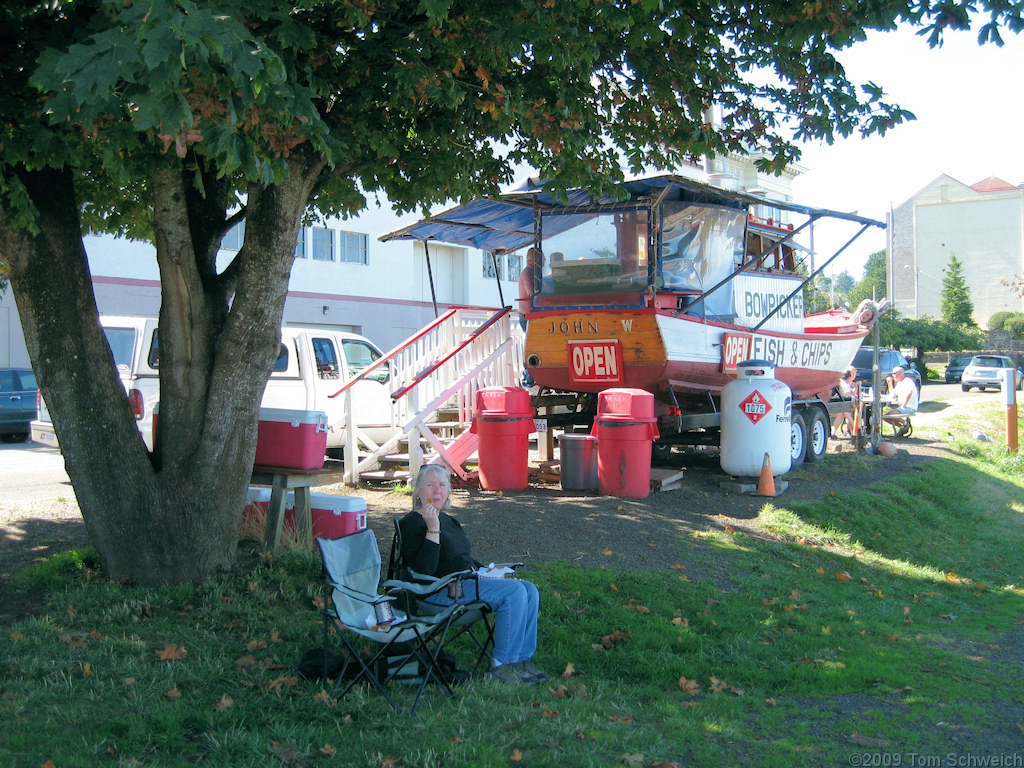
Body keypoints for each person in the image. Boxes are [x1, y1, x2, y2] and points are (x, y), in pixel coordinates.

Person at [398, 465, 547, 685]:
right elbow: (423, 570)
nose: (437, 491)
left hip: (467, 582)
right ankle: (502, 666)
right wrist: (432, 529)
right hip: (440, 593)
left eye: (442, 485)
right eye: (430, 485)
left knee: (529, 589)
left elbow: (462, 559)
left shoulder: (449, 520)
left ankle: (521, 661)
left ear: (448, 492)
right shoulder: (410, 524)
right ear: (419, 492)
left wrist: (489, 572)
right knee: (514, 592)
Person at [882, 365, 919, 437]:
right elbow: (893, 395)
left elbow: (910, 392)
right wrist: (890, 383)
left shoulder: (907, 381)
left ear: (901, 373)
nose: (893, 375)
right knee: (885, 417)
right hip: (903, 407)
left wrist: (904, 404)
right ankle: (903, 426)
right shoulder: (899, 383)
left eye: (895, 373)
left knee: (888, 415)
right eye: (893, 374)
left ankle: (905, 424)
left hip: (909, 407)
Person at [832, 367, 857, 438]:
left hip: (845, 405)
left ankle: (853, 431)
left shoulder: (849, 384)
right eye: (853, 373)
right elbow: (844, 395)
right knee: (844, 412)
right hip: (839, 405)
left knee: (845, 412)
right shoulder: (842, 383)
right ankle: (855, 429)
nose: (854, 375)